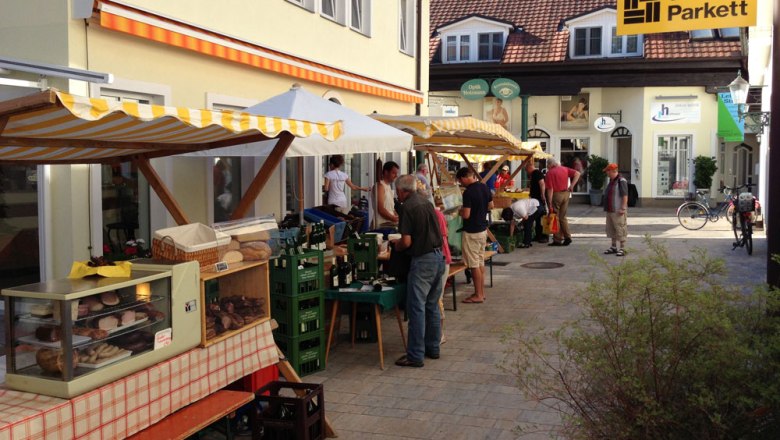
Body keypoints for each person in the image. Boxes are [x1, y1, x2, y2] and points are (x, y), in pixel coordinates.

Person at [392, 174, 445, 368]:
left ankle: (415, 355)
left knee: (417, 307)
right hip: (438, 256)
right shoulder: (426, 202)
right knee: (431, 305)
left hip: (423, 260)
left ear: (401, 190)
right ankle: (433, 348)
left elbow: (406, 241)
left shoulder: (408, 207)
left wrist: (396, 246)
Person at [456, 167, 493, 304]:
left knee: (473, 265)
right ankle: (481, 293)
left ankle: (478, 294)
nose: (461, 183)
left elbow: (466, 214)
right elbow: (491, 206)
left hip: (472, 231)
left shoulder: (468, 192)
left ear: (465, 177)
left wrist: (459, 211)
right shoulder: (484, 187)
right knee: (479, 261)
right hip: (483, 230)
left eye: (460, 181)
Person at [545, 157, 581, 246]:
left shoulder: (550, 173)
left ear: (551, 164)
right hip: (566, 194)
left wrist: (549, 203)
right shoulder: (565, 169)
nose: (547, 167)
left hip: (556, 195)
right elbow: (577, 173)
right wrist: (572, 185)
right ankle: (567, 236)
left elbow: (550, 189)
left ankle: (557, 239)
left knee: (555, 217)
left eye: (547, 165)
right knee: (563, 217)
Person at [602, 163, 629, 257]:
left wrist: (623, 208)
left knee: (620, 229)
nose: (607, 173)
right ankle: (613, 247)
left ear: (613, 171)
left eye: (607, 171)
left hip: (618, 210)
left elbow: (625, 195)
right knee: (611, 229)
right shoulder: (612, 181)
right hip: (610, 209)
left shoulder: (621, 181)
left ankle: (623, 248)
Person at [525, 161, 548, 243]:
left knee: (540, 218)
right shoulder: (535, 174)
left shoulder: (536, 173)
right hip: (536, 199)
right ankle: (538, 235)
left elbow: (542, 184)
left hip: (538, 199)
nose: (527, 172)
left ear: (529, 167)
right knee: (537, 218)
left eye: (526, 170)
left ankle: (543, 236)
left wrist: (542, 195)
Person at [373, 161, 400, 228]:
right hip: (381, 224)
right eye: (393, 173)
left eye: (396, 173)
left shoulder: (388, 186)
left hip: (390, 223)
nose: (396, 176)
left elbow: (391, 208)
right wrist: (394, 218)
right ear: (386, 172)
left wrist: (397, 217)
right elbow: (381, 209)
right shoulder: (380, 186)